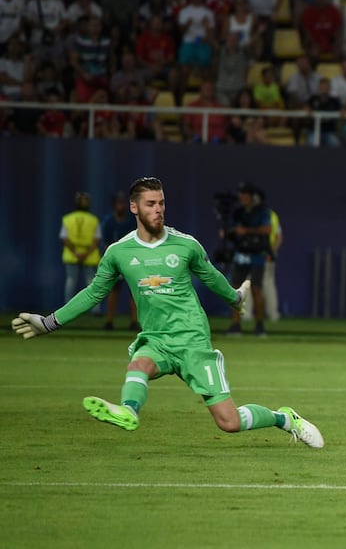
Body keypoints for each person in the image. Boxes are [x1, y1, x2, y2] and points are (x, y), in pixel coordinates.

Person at [11, 176, 323, 448]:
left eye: (161, 202)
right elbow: (93, 292)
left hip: (192, 342)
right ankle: (129, 410)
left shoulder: (185, 245)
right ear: (134, 208)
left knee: (229, 422)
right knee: (140, 362)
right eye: (150, 204)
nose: (158, 209)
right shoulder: (118, 252)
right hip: (156, 338)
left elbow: (212, 276)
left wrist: (235, 297)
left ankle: (285, 418)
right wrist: (49, 323)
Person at [225, 183, 271, 336]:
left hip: (257, 255)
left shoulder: (262, 212)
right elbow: (231, 231)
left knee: (256, 289)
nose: (242, 197)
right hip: (240, 254)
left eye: (246, 194)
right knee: (235, 290)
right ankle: (236, 324)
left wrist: (246, 231)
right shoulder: (238, 213)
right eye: (241, 194)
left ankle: (259, 325)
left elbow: (267, 229)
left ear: (252, 197)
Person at [101, 191, 139, 331]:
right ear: (114, 205)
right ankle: (109, 321)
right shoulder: (109, 222)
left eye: (123, 203)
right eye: (119, 203)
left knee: (135, 293)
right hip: (115, 263)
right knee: (113, 292)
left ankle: (135, 322)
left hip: (132, 262)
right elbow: (106, 245)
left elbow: (137, 242)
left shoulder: (131, 221)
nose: (121, 206)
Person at [61, 192, 101, 311]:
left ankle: (67, 309)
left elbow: (65, 238)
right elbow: (97, 239)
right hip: (88, 255)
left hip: (73, 255)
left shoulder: (68, 219)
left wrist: (75, 253)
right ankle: (95, 310)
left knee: (71, 282)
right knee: (91, 283)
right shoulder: (93, 219)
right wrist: (86, 254)